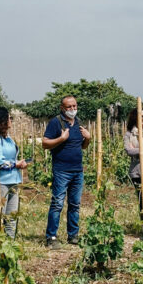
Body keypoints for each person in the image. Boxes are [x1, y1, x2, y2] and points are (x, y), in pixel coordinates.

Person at [41, 95, 91, 248]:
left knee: (75, 204)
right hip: (62, 170)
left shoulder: (78, 123)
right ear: (62, 108)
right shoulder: (56, 122)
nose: (72, 109)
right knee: (57, 204)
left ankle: (73, 235)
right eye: (69, 107)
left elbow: (82, 146)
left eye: (74, 106)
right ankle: (51, 237)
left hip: (78, 170)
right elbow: (45, 143)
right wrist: (61, 139)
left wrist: (88, 138)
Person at [0, 105, 27, 238]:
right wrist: (16, 164)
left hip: (14, 180)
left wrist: (18, 163)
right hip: (1, 182)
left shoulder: (8, 139)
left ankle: (10, 240)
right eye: (9, 118)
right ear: (2, 120)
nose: (11, 120)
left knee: (11, 214)